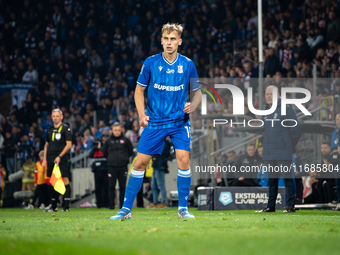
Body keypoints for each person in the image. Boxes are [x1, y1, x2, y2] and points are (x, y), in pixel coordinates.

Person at [110, 23, 202, 220]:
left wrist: (193, 104)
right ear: (161, 41)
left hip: (179, 122)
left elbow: (198, 93)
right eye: (166, 39)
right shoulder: (151, 63)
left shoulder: (188, 64)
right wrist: (142, 115)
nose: (169, 42)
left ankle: (183, 209)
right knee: (140, 163)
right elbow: (139, 91)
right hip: (155, 122)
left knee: (183, 160)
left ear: (179, 41)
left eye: (173, 39)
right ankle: (125, 209)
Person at [259, 85, 301, 213]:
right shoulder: (264, 113)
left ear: (278, 95)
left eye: (271, 93)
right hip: (269, 153)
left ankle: (290, 206)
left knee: (288, 179)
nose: (269, 96)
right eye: (267, 94)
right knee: (271, 181)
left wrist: (288, 146)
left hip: (283, 152)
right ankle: (270, 206)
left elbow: (296, 131)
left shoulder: (286, 109)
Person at [42, 109, 72, 212]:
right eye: (54, 116)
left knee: (65, 180)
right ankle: (53, 206)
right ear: (51, 117)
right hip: (51, 158)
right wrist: (44, 159)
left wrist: (59, 156)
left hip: (62, 158)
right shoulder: (49, 129)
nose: (55, 118)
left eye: (57, 116)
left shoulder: (65, 129)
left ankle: (66, 206)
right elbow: (46, 145)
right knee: (53, 182)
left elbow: (69, 145)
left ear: (61, 117)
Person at [102, 122, 133, 209]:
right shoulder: (108, 141)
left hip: (123, 166)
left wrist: (124, 158)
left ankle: (122, 205)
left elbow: (130, 151)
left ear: (121, 130)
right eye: (115, 130)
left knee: (122, 186)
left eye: (119, 130)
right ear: (112, 130)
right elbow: (104, 152)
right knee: (111, 186)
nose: (117, 132)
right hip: (111, 167)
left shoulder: (126, 140)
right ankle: (111, 204)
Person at [147, 137, 171, 209]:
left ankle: (164, 202)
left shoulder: (166, 143)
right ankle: (155, 202)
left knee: (161, 184)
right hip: (155, 165)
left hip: (161, 165)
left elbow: (161, 152)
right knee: (154, 185)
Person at [89, 136, 109, 208]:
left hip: (105, 169)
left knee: (105, 187)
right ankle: (99, 203)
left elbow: (106, 154)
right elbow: (90, 155)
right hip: (97, 170)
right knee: (98, 188)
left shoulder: (105, 148)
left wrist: (101, 147)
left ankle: (106, 203)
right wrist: (96, 147)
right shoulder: (94, 149)